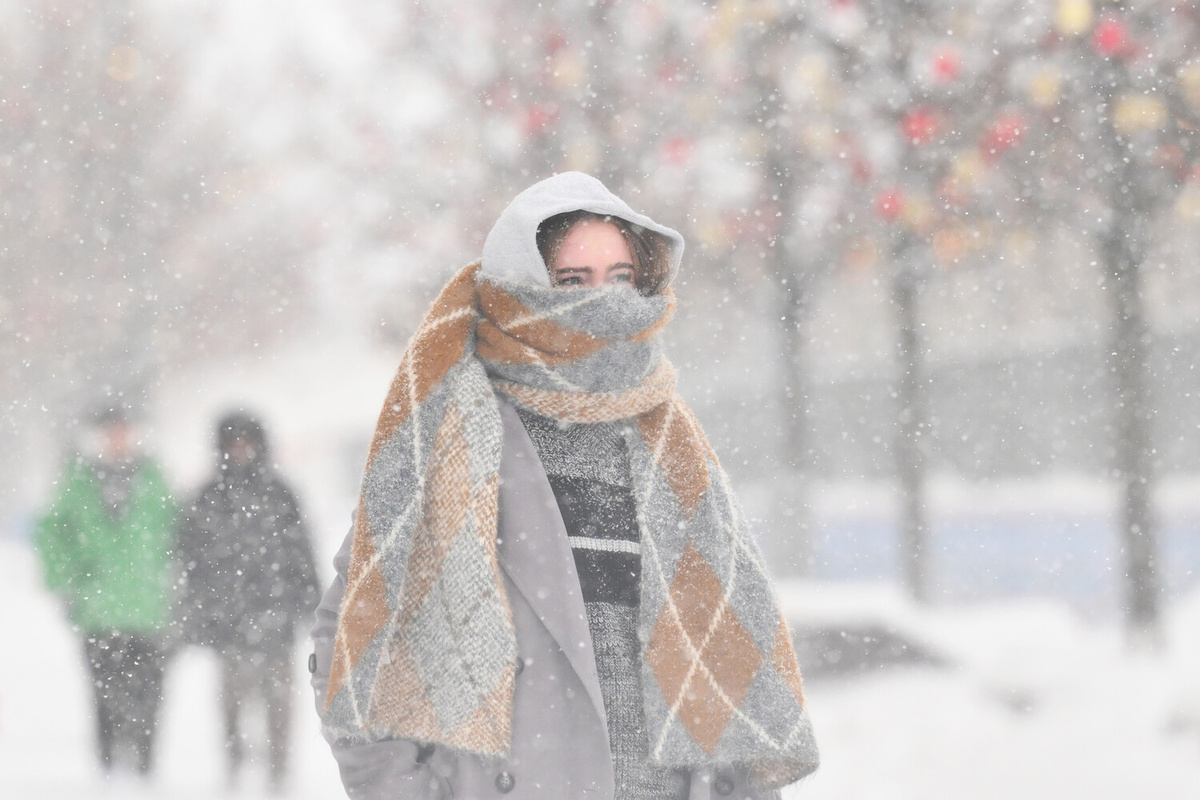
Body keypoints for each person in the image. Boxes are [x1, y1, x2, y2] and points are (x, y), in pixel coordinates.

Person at [310, 172, 819, 799]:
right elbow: (353, 636)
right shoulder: (452, 434)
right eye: (572, 281)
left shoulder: (666, 437)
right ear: (521, 286)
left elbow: (726, 658)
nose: (601, 302)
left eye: (621, 277)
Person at [175, 411, 320, 793]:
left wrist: (312, 606)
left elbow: (302, 553)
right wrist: (197, 615)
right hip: (230, 628)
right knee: (231, 711)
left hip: (277, 624)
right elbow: (191, 563)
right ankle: (234, 776)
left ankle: (279, 778)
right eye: (232, 442)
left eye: (246, 441)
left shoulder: (280, 493)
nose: (240, 450)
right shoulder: (207, 497)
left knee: (280, 711)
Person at [35, 406, 177, 780]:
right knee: (104, 695)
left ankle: (145, 770)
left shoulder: (154, 477)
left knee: (149, 696)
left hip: (149, 609)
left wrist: (175, 586)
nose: (118, 439)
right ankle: (108, 770)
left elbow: (177, 534)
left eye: (123, 431)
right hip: (97, 609)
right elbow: (52, 532)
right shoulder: (78, 481)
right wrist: (67, 579)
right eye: (110, 432)